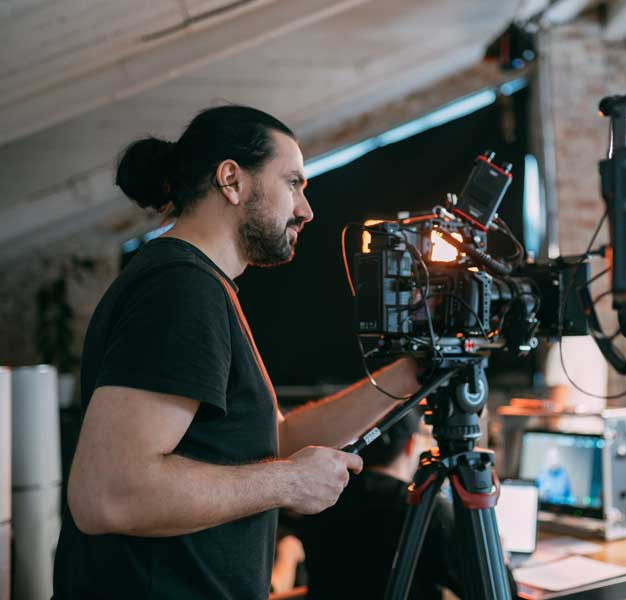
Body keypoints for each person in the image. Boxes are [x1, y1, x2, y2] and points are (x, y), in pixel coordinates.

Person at [53, 105, 420, 599]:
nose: (306, 209)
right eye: (293, 182)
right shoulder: (181, 290)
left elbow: (277, 439)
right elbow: (107, 495)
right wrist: (288, 485)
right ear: (232, 180)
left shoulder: (204, 287)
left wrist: (408, 376)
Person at [285, 411, 518, 599]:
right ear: (412, 445)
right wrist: (498, 553)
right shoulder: (424, 509)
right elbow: (496, 591)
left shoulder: (322, 497)